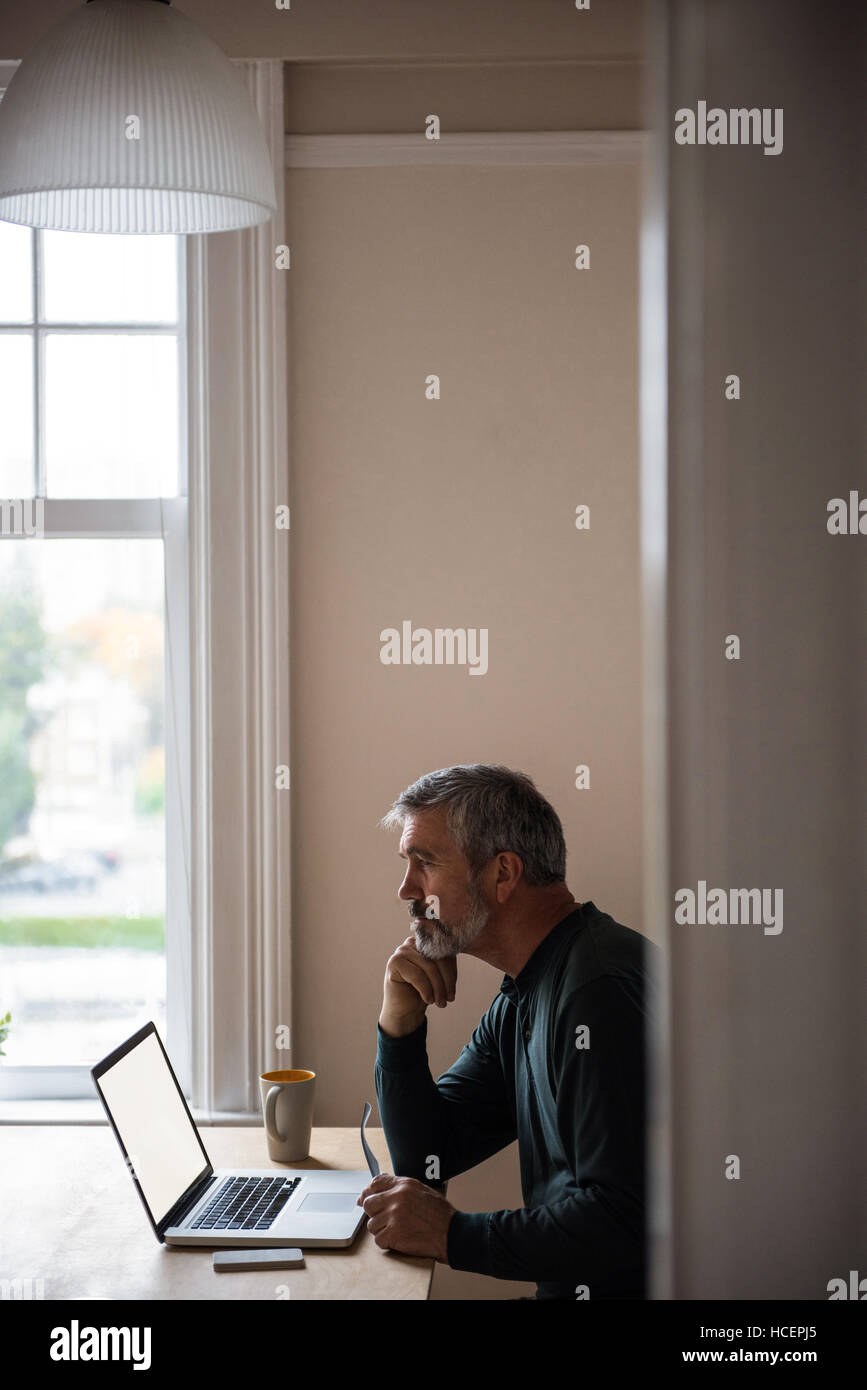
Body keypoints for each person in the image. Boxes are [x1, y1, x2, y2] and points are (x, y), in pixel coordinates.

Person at [358, 763, 658, 1300]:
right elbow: (430, 1154)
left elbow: (621, 1219)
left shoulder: (597, 990)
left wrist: (453, 1234)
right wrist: (399, 1025)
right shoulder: (528, 987)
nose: (406, 889)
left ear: (503, 874)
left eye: (424, 863)